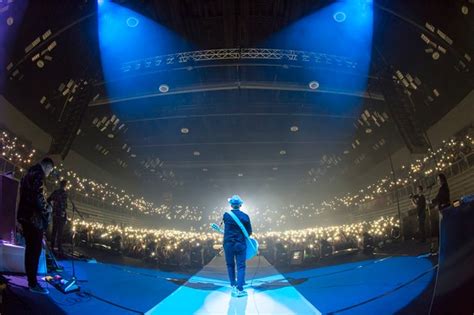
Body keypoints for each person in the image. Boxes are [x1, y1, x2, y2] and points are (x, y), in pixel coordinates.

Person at [17, 157, 54, 295]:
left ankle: (31, 280)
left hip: (25, 216)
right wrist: (47, 210)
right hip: (34, 218)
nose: (49, 173)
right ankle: (33, 283)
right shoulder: (39, 174)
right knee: (35, 250)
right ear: (47, 166)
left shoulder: (29, 173)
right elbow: (38, 197)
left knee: (30, 250)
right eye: (50, 170)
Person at [221, 195, 252, 298]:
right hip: (240, 243)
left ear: (231, 205)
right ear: (240, 205)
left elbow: (226, 229)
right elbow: (249, 232)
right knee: (241, 266)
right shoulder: (245, 216)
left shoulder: (226, 215)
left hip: (228, 244)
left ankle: (233, 285)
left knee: (230, 265)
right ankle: (240, 288)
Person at [47, 179, 68, 255]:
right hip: (61, 215)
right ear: (65, 185)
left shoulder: (55, 192)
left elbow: (48, 199)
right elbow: (65, 206)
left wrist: (53, 207)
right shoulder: (64, 193)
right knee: (60, 232)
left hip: (55, 214)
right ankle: (59, 248)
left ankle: (52, 247)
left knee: (54, 231)